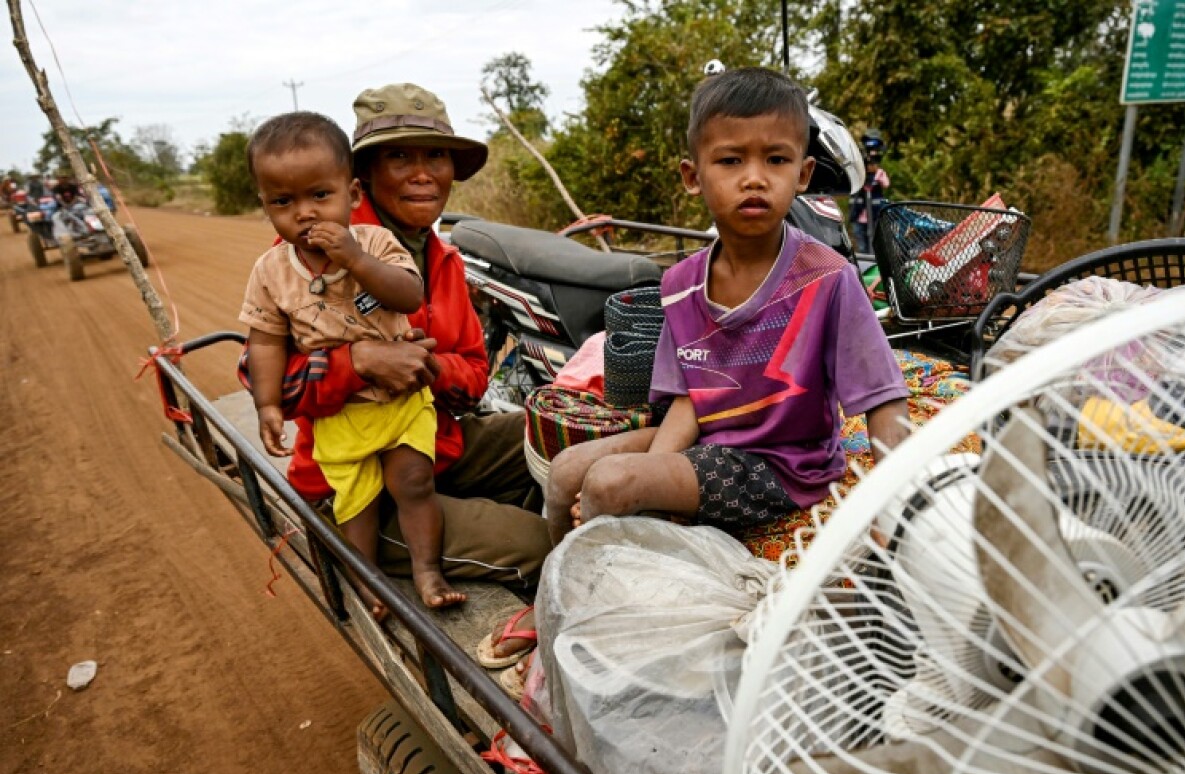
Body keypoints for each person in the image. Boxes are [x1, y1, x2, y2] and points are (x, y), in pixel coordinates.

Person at [485, 68, 912, 690]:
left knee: (611, 482)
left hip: (779, 464)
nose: (754, 178)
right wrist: (651, 478)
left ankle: (615, 627)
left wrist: (892, 501)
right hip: (708, 440)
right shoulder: (681, 282)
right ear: (693, 176)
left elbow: (883, 398)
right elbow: (687, 395)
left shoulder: (827, 279)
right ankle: (560, 601)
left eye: (776, 159)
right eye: (730, 159)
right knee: (574, 474)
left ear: (803, 175)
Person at [243, 84, 550, 598]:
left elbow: (474, 375)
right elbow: (259, 370)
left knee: (557, 435)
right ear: (363, 177)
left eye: (436, 155)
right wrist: (358, 361)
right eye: (400, 156)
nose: (423, 172)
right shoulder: (302, 252)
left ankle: (476, 518)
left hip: (429, 444)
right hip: (354, 482)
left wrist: (429, 368)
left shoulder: (445, 260)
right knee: (539, 545)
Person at [240, 112, 463, 612]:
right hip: (340, 415)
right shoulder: (273, 271)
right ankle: (368, 582)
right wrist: (268, 404)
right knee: (354, 501)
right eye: (283, 201)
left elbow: (408, 296)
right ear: (267, 207)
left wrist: (357, 261)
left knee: (413, 481)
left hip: (403, 404)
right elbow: (266, 342)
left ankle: (429, 572)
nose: (304, 214)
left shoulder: (379, 245)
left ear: (352, 196)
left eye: (320, 196)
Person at [849, 129, 890, 254]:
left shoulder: (879, 174)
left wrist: (877, 175)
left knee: (876, 245)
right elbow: (853, 185)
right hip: (860, 216)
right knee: (862, 247)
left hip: (875, 215)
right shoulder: (859, 174)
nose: (871, 166)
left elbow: (886, 184)